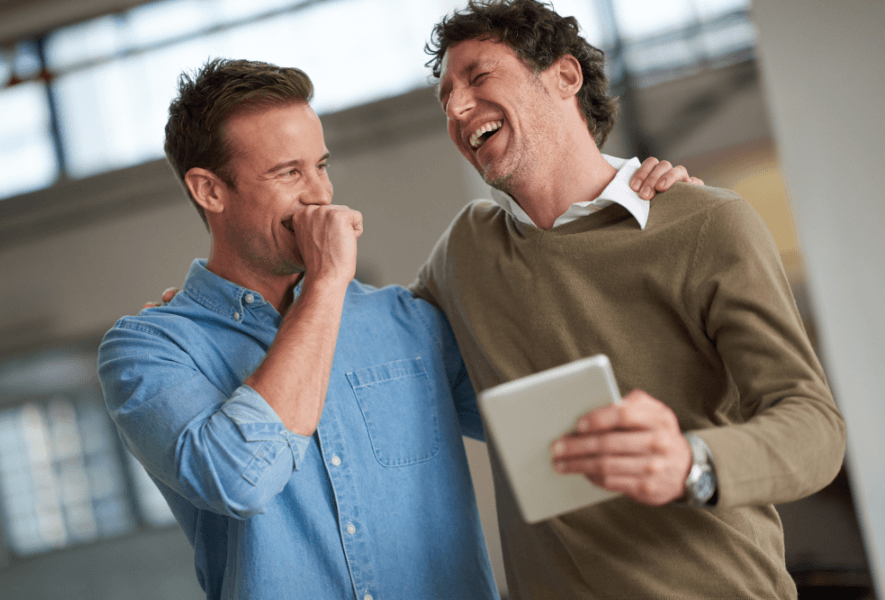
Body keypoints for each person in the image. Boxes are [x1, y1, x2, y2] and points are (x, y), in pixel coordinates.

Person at [98, 58, 691, 600]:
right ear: (209, 190)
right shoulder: (149, 350)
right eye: (288, 173)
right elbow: (238, 479)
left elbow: (570, 421)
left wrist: (634, 231)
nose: (320, 194)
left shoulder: (407, 322)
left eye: (321, 166)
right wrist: (327, 285)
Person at [411, 1, 846, 598]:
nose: (457, 108)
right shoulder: (466, 252)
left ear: (565, 76)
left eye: (479, 77)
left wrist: (691, 461)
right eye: (446, 98)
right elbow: (384, 362)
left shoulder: (705, 223)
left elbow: (814, 429)